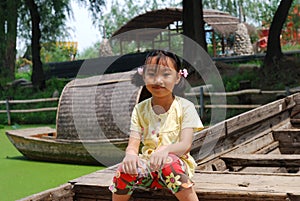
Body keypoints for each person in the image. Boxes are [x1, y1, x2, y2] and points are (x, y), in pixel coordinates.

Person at [109, 50, 203, 201]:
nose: (158, 80)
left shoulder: (186, 107)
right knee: (124, 169)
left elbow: (186, 144)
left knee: (168, 163)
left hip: (176, 170)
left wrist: (166, 150)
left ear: (178, 77)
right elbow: (133, 144)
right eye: (152, 74)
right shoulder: (139, 109)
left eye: (166, 74)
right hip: (148, 169)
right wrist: (130, 155)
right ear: (144, 76)